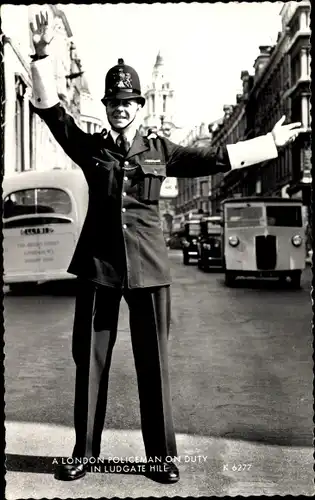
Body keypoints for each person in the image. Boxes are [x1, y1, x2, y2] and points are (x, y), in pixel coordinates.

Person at [29, 11, 303, 484]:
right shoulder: (91, 145)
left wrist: (271, 144)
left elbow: (216, 156)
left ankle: (160, 457)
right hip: (98, 267)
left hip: (151, 270)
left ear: (139, 105)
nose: (119, 108)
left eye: (127, 101)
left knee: (153, 363)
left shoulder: (160, 151)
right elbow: (54, 115)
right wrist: (39, 57)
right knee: (90, 359)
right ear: (109, 106)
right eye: (113, 102)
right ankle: (84, 451)